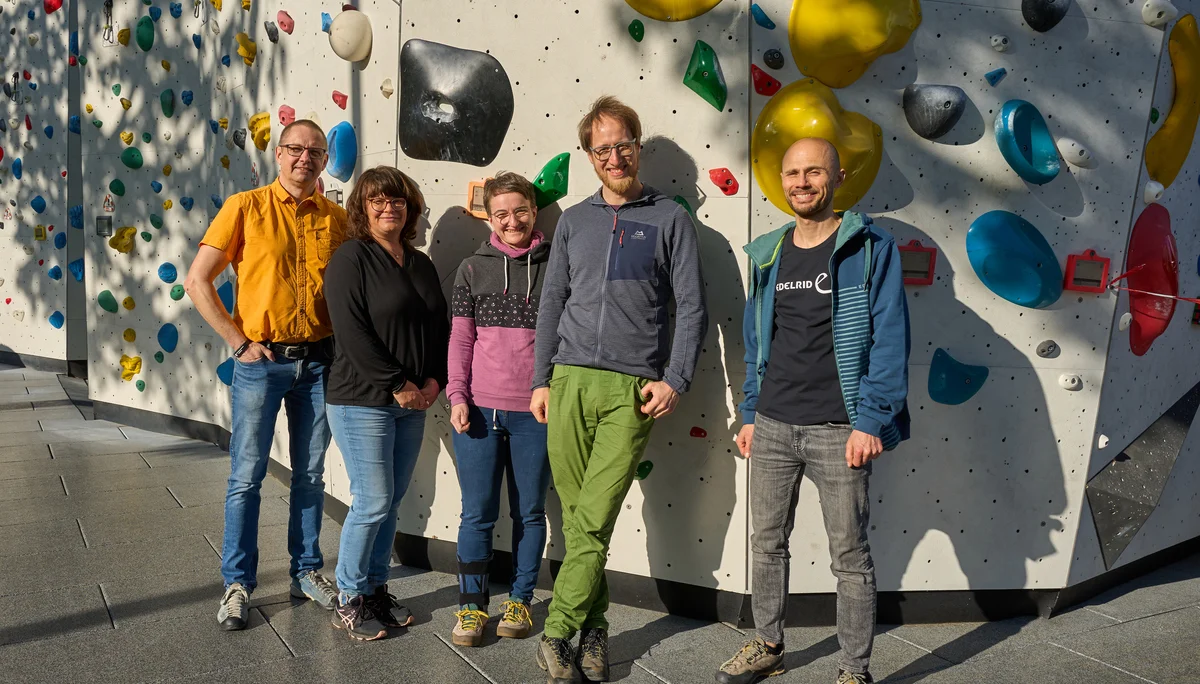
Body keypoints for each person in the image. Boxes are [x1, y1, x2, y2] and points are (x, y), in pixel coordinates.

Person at [714, 138, 911, 684]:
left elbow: (891, 338)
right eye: (793, 173)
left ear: (837, 177)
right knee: (767, 543)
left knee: (849, 555)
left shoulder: (870, 246)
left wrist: (871, 419)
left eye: (813, 172)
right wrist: (751, 412)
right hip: (774, 425)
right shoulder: (769, 252)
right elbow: (759, 340)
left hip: (839, 428)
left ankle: (854, 670)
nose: (801, 182)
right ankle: (769, 644)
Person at [531, 95, 709, 683]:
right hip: (569, 382)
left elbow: (692, 307)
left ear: (638, 146)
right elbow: (551, 301)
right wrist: (542, 379)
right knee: (583, 518)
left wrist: (675, 378)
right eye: (601, 148)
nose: (614, 155)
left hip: (631, 390)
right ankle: (597, 627)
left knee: (596, 514)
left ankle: (557, 632)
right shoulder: (574, 222)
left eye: (623, 143)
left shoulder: (671, 219)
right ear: (588, 155)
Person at [186, 119, 347, 631]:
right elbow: (198, 280)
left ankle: (306, 571)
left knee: (311, 473)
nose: (305, 158)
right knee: (246, 476)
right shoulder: (245, 207)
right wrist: (238, 342)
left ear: (325, 160)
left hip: (320, 362)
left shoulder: (337, 219)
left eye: (315, 151)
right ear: (278, 154)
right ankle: (237, 583)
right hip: (263, 362)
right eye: (296, 149)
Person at [321, 166, 448, 641]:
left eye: (397, 200)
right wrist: (398, 383)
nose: (388, 207)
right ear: (362, 208)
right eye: (377, 200)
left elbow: (439, 327)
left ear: (410, 208)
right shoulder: (351, 257)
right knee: (372, 500)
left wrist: (435, 379)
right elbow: (352, 333)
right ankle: (349, 597)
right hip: (362, 400)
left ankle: (376, 589)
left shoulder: (419, 263)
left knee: (391, 502)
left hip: (412, 400)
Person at [446, 172, 552, 647]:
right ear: (489, 216)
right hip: (479, 413)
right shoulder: (471, 268)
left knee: (530, 512)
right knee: (477, 515)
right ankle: (471, 608)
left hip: (536, 413)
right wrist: (457, 395)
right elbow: (462, 338)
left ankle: (521, 601)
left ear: (534, 210)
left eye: (521, 211)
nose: (512, 221)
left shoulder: (557, 266)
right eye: (502, 213)